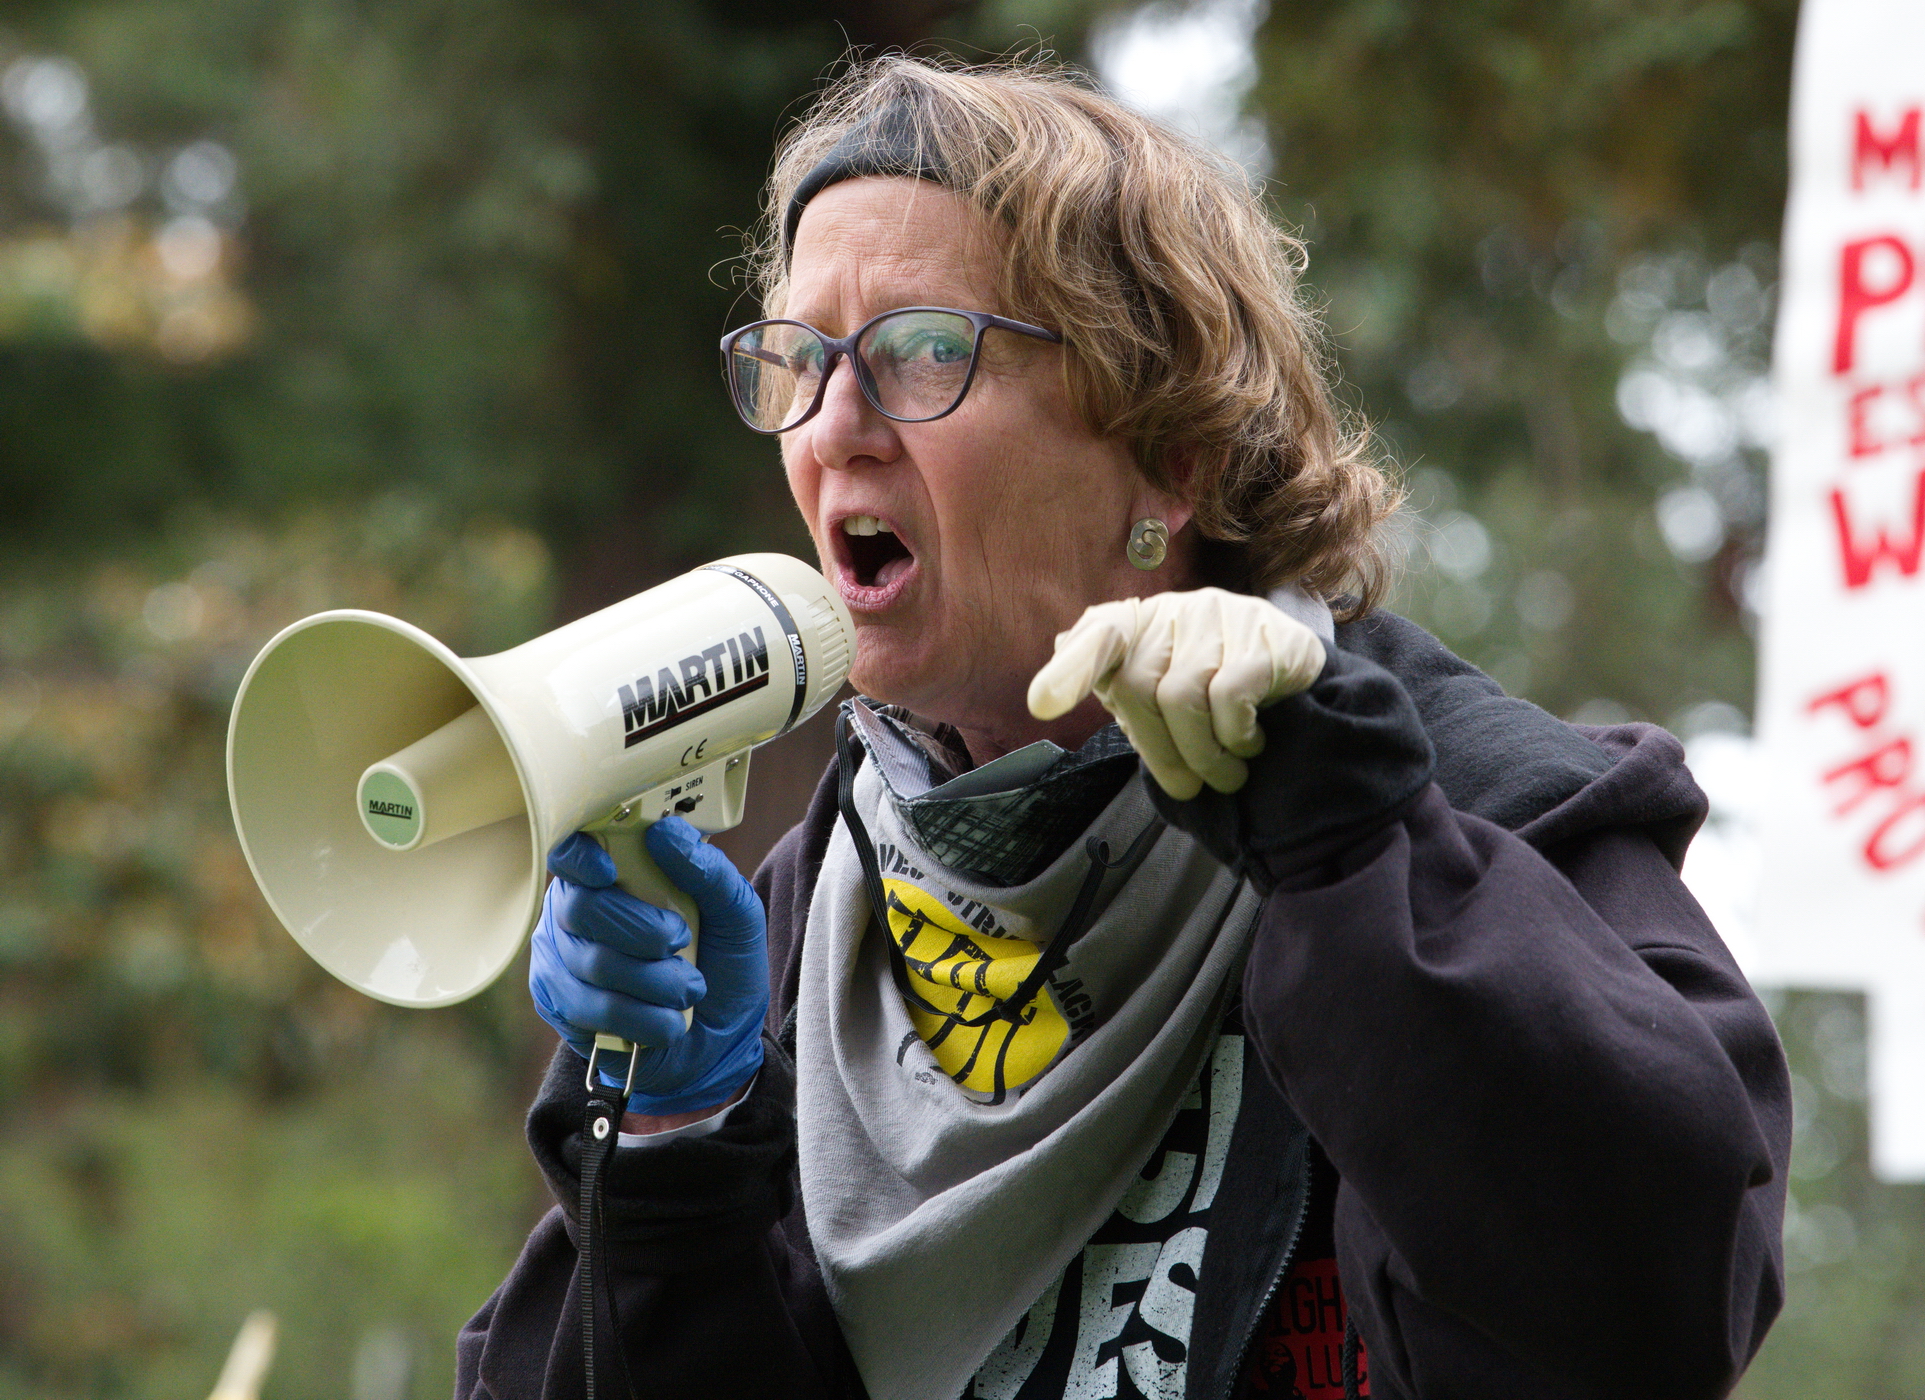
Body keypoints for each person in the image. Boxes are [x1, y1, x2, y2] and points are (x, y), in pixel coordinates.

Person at [456, 54, 1789, 1400]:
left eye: (926, 351)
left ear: (1169, 456)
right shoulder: (805, 928)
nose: (834, 428)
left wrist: (1348, 855)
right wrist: (671, 1159)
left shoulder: (1480, 809)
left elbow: (1652, 1317)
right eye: (798, 360)